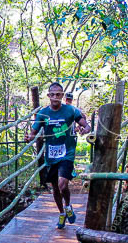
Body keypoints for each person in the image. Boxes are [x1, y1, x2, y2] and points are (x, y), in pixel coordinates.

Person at [27, 82, 90, 228]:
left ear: (62, 95)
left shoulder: (71, 110)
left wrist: (85, 128)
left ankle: (68, 206)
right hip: (51, 155)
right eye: (53, 94)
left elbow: (85, 124)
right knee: (55, 188)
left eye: (58, 94)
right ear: (48, 96)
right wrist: (29, 137)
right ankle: (62, 213)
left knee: (62, 185)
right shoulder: (43, 113)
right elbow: (33, 132)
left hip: (67, 153)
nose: (55, 97)